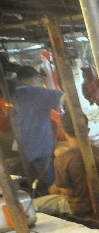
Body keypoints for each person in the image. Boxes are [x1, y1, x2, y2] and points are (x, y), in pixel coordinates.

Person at [33, 111, 99, 219]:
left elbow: (66, 191)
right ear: (88, 129)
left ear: (63, 130)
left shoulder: (63, 159)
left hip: (79, 208)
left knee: (33, 205)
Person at [11, 66, 64, 196]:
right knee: (51, 185)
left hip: (24, 149)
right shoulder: (35, 93)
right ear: (33, 80)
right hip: (40, 147)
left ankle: (43, 209)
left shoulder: (14, 95)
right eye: (39, 80)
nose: (40, 83)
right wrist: (60, 107)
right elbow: (62, 95)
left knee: (38, 186)